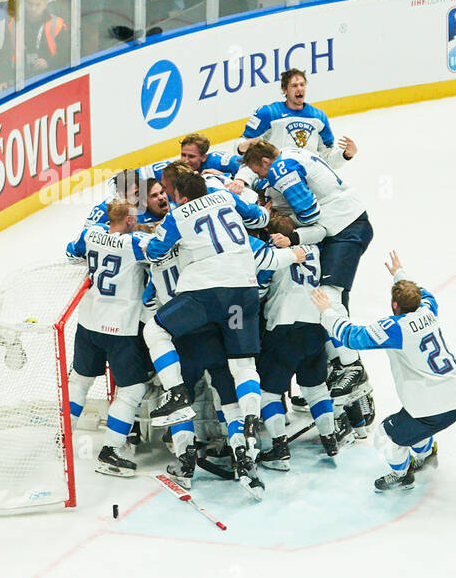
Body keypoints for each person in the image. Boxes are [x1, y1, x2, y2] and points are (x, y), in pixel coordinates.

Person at [142, 171, 271, 498]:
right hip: (239, 296)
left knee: (180, 393)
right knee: (236, 375)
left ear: (180, 196)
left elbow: (152, 265)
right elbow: (259, 220)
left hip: (192, 318)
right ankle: (247, 441)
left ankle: (185, 457)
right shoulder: (225, 198)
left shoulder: (172, 223)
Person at [310, 250, 456, 491]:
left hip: (432, 406)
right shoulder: (428, 307)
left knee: (386, 436)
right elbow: (422, 292)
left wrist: (327, 311)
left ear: (395, 304)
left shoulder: (395, 329)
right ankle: (426, 453)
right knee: (415, 422)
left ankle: (402, 474)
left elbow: (352, 337)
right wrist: (399, 274)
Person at [239, 139, 374, 402]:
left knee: (330, 296)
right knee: (330, 299)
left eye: (258, 171)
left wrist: (280, 222)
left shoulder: (280, 168)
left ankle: (352, 366)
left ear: (266, 161)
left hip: (345, 227)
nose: (260, 176)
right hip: (345, 222)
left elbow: (310, 214)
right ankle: (341, 365)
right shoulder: (290, 154)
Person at [65, 200, 156, 477]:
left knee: (80, 380)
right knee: (132, 390)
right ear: (129, 221)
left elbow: (71, 253)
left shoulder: (91, 233)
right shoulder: (136, 241)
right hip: (120, 327)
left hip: (88, 321)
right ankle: (110, 452)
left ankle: (62, 438)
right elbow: (162, 252)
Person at [254, 215, 340, 470]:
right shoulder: (313, 250)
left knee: (269, 392)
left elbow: (259, 290)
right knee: (315, 387)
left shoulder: (272, 256)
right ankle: (330, 438)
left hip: (284, 327)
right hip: (315, 324)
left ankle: (279, 447)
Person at [234, 68, 356, 169]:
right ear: (284, 89)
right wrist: (244, 146)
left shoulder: (318, 117)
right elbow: (239, 145)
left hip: (309, 177)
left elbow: (327, 159)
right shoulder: (268, 113)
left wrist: (345, 155)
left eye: (302, 85)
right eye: (294, 85)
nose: (299, 89)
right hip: (278, 177)